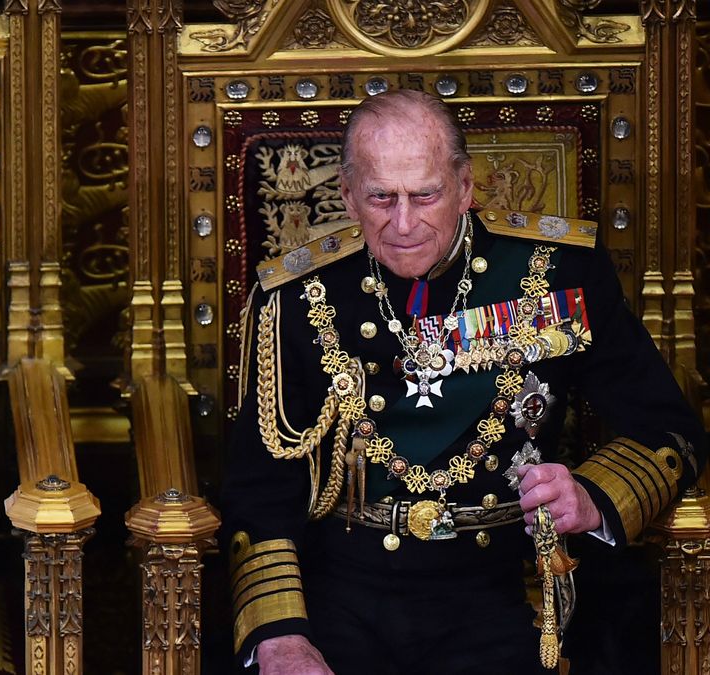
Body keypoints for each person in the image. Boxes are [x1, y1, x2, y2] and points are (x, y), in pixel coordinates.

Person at [221, 89, 705, 675]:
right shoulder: (295, 301)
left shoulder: (556, 273)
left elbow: (667, 429)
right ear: (348, 196)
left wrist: (591, 497)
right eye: (380, 198)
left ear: (466, 188)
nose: (403, 224)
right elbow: (259, 490)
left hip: (507, 583)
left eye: (424, 195)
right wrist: (281, 637)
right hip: (345, 588)